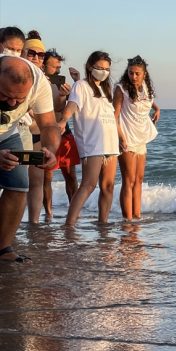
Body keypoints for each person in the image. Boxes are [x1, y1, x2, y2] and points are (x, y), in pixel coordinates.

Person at [0, 55, 59, 262]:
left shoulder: (39, 83)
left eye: (19, 99)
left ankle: (3, 248)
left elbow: (50, 125)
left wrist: (50, 149)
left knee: (19, 185)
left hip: (8, 133)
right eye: (6, 96)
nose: (13, 102)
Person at [57, 51, 119, 227]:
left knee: (108, 187)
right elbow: (73, 105)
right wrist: (63, 120)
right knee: (88, 185)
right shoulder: (81, 86)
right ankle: (69, 224)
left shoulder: (106, 90)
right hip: (92, 143)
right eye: (99, 68)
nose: (103, 71)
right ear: (90, 67)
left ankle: (103, 224)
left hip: (110, 143)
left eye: (107, 69)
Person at [113, 55, 159, 221]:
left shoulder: (145, 87)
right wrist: (120, 137)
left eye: (137, 73)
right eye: (131, 73)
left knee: (139, 180)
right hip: (126, 137)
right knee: (129, 180)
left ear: (144, 74)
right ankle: (128, 221)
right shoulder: (121, 89)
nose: (133, 76)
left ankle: (137, 217)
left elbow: (146, 101)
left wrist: (157, 108)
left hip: (141, 137)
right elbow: (115, 115)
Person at [43, 49, 79, 209]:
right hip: (46, 133)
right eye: (54, 67)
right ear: (43, 66)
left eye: (59, 67)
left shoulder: (61, 85)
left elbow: (63, 108)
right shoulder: (39, 83)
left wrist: (67, 94)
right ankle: (48, 214)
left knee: (71, 176)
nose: (58, 71)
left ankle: (74, 210)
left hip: (64, 132)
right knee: (47, 177)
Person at [21, 31, 49, 223]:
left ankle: (34, 223)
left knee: (36, 182)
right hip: (15, 135)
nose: (36, 58)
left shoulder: (43, 81)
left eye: (41, 55)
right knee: (17, 183)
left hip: (37, 136)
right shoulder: (10, 73)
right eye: (32, 53)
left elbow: (50, 115)